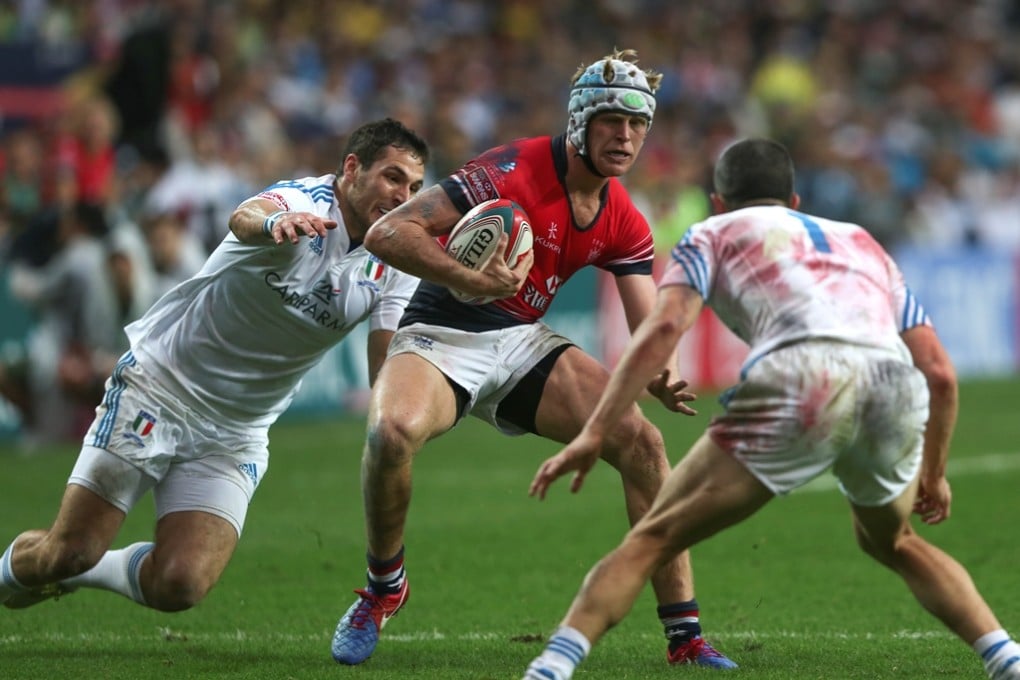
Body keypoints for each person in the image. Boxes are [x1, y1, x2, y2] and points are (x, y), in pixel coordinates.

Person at [522, 138, 1020, 680]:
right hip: (893, 384)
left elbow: (663, 327)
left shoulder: (709, 233)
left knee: (653, 537)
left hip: (801, 379)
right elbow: (940, 372)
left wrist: (595, 431)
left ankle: (550, 669)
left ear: (717, 202)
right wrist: (935, 472)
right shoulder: (861, 241)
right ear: (796, 201)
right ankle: (1007, 659)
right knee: (895, 540)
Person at [331, 49, 736, 670]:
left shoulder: (623, 217)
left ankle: (685, 637)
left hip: (521, 338)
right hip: (440, 332)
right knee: (389, 434)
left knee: (643, 444)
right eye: (611, 121)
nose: (625, 137)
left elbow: (650, 320)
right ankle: (385, 588)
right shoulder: (511, 169)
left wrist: (665, 371)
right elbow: (388, 234)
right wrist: (467, 276)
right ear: (580, 122)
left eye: (637, 125)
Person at [0, 118, 429, 614]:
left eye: (414, 187)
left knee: (179, 584)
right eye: (393, 177)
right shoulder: (306, 202)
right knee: (67, 550)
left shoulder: (396, 256)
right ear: (352, 168)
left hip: (236, 431)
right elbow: (248, 215)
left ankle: (84, 571)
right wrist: (272, 225)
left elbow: (384, 368)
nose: (403, 195)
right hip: (160, 388)